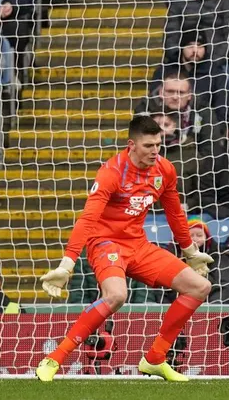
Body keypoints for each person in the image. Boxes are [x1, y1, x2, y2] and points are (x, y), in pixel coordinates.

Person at [34, 116, 215, 382]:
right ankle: (55, 358)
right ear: (132, 145)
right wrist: (67, 264)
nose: (155, 151)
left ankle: (154, 359)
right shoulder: (112, 173)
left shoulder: (164, 170)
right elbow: (88, 219)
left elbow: (175, 213)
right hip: (105, 243)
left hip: (138, 245)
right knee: (116, 295)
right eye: (149, 146)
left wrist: (190, 252)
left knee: (200, 287)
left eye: (158, 145)